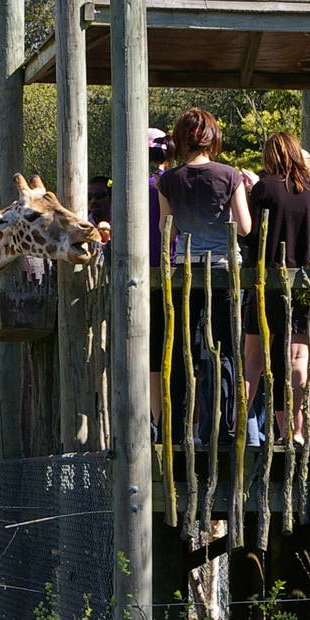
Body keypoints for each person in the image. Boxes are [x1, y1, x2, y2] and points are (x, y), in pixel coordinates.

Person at [156, 108, 252, 444]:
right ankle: (221, 428)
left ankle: (182, 427)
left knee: (183, 348)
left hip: (186, 270)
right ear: (213, 137)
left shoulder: (167, 180)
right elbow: (244, 227)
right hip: (224, 269)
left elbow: (166, 232)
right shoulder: (230, 175)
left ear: (181, 139)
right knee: (223, 349)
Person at [243, 131, 310, 443]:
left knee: (252, 359)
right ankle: (297, 429)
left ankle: (239, 426)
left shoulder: (264, 188)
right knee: (299, 359)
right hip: (305, 284)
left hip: (268, 283)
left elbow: (248, 235)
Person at [147, 127, 173, 431]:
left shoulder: (140, 187)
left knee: (154, 352)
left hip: (149, 276)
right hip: (179, 271)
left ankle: (157, 421)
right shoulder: (173, 183)